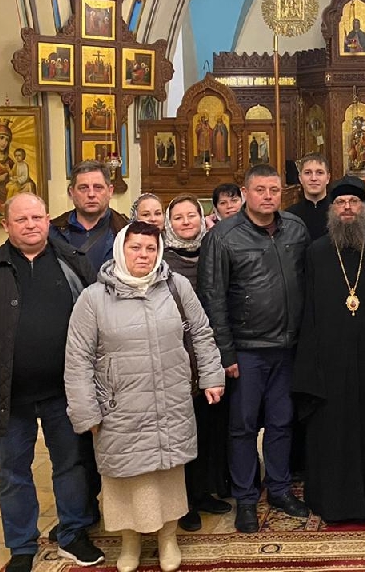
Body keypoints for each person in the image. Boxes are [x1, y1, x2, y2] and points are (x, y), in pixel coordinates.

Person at [0, 193, 104, 572]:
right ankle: (21, 545)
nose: (31, 225)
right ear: (6, 226)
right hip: (7, 394)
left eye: (37, 217)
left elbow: (99, 322)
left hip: (64, 391)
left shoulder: (73, 262)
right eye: (21, 219)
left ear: (48, 220)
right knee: (13, 471)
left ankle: (73, 533)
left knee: (72, 465)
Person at [65, 222, 225, 572]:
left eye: (151, 248)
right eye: (135, 247)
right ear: (120, 250)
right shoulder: (94, 298)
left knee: (168, 473)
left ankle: (168, 538)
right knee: (125, 476)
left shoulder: (176, 286)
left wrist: (212, 376)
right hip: (119, 408)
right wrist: (86, 412)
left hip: (170, 400)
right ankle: (130, 542)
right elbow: (78, 359)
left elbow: (201, 332)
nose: (143, 255)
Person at [197, 164, 312, 532]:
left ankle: (279, 489)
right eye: (260, 190)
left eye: (274, 190)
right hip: (246, 349)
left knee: (281, 422)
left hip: (288, 347)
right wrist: (225, 352)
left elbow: (307, 282)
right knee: (243, 427)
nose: (268, 196)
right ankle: (246, 499)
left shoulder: (295, 229)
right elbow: (213, 297)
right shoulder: (224, 236)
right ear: (245, 193)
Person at [292, 177, 365, 521]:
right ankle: (331, 501)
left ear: (364, 208)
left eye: (354, 202)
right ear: (331, 210)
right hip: (329, 363)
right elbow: (307, 310)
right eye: (340, 203)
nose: (347, 208)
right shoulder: (316, 252)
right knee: (331, 432)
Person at [161, 195, 232, 532]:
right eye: (178, 217)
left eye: (192, 215)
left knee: (209, 427)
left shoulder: (214, 250)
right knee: (181, 431)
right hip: (176, 356)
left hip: (211, 350)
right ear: (169, 223)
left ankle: (204, 491)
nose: (186, 221)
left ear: (203, 219)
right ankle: (183, 501)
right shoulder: (162, 259)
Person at [51, 161, 128, 271]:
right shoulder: (53, 232)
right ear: (71, 192)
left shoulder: (126, 231)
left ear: (110, 191)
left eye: (98, 187)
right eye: (83, 188)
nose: (91, 194)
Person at [288, 152, 331, 240]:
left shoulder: (340, 212)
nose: (313, 178)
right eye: (308, 173)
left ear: (328, 178)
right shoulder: (290, 216)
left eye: (319, 173)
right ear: (300, 178)